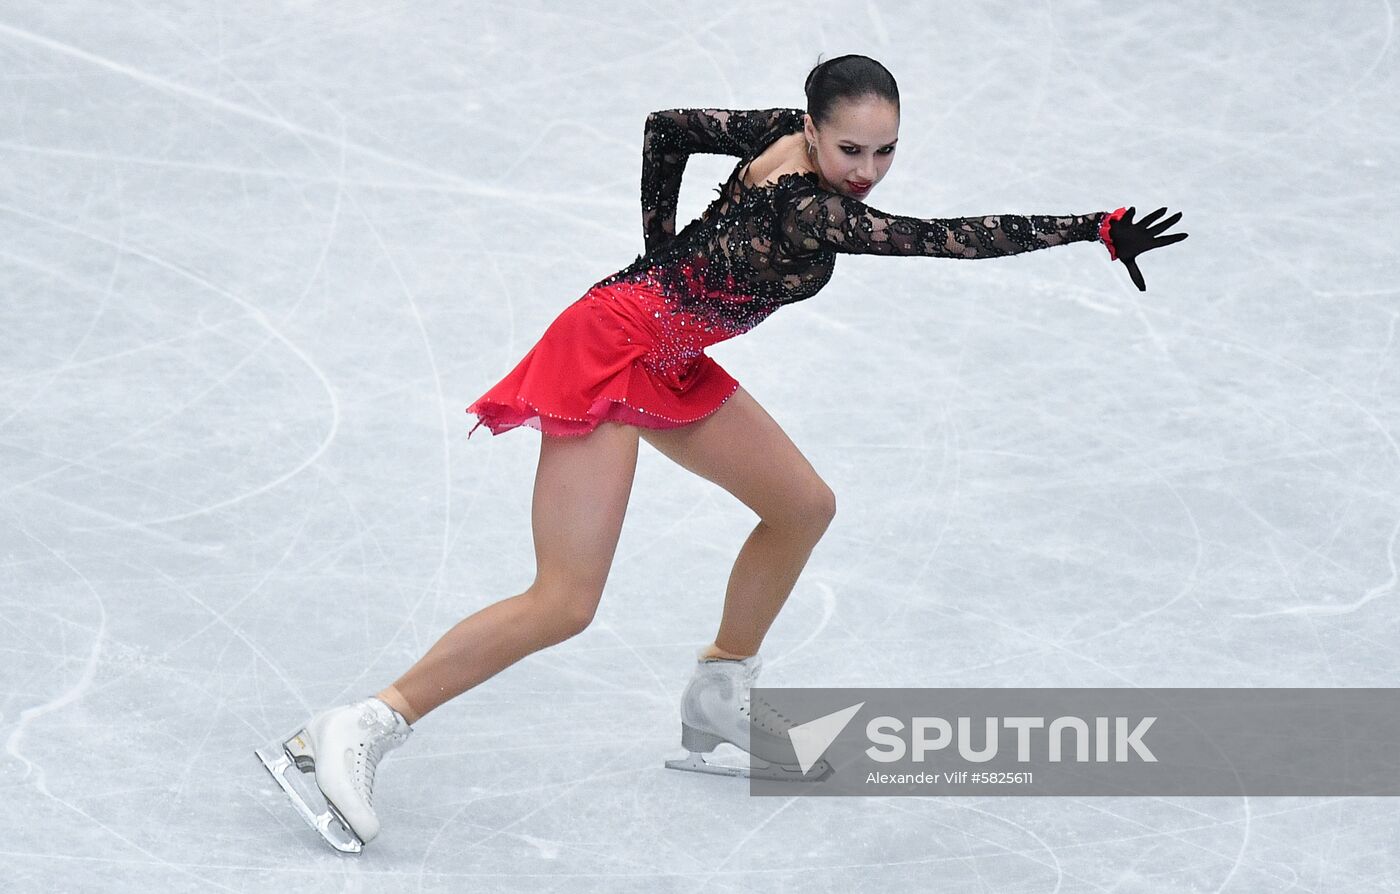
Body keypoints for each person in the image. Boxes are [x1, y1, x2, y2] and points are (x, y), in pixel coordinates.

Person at [256, 53, 1188, 852]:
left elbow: (669, 130)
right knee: (566, 600)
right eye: (850, 150)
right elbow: (943, 240)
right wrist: (1091, 227)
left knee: (802, 507)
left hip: (668, 350)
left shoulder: (784, 133)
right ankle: (357, 726)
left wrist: (659, 252)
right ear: (816, 133)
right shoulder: (812, 213)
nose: (867, 171)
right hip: (612, 346)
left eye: (886, 150)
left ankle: (719, 692)